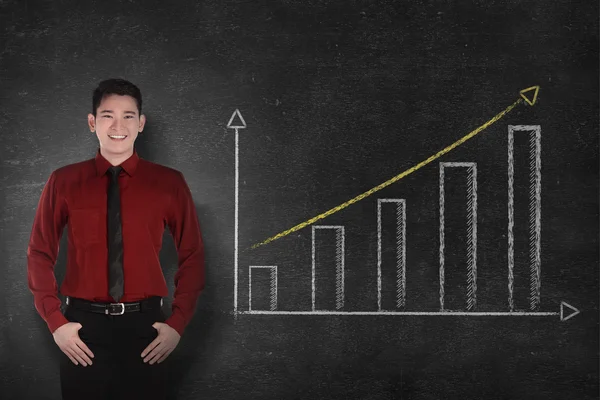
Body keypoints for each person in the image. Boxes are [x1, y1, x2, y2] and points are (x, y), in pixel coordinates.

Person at [26, 78, 205, 399]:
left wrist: (177, 323)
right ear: (92, 122)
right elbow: (40, 252)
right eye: (108, 115)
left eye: (128, 116)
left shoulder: (169, 182)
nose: (118, 125)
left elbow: (191, 254)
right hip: (82, 331)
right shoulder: (64, 181)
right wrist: (56, 322)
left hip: (147, 330)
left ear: (141, 123)